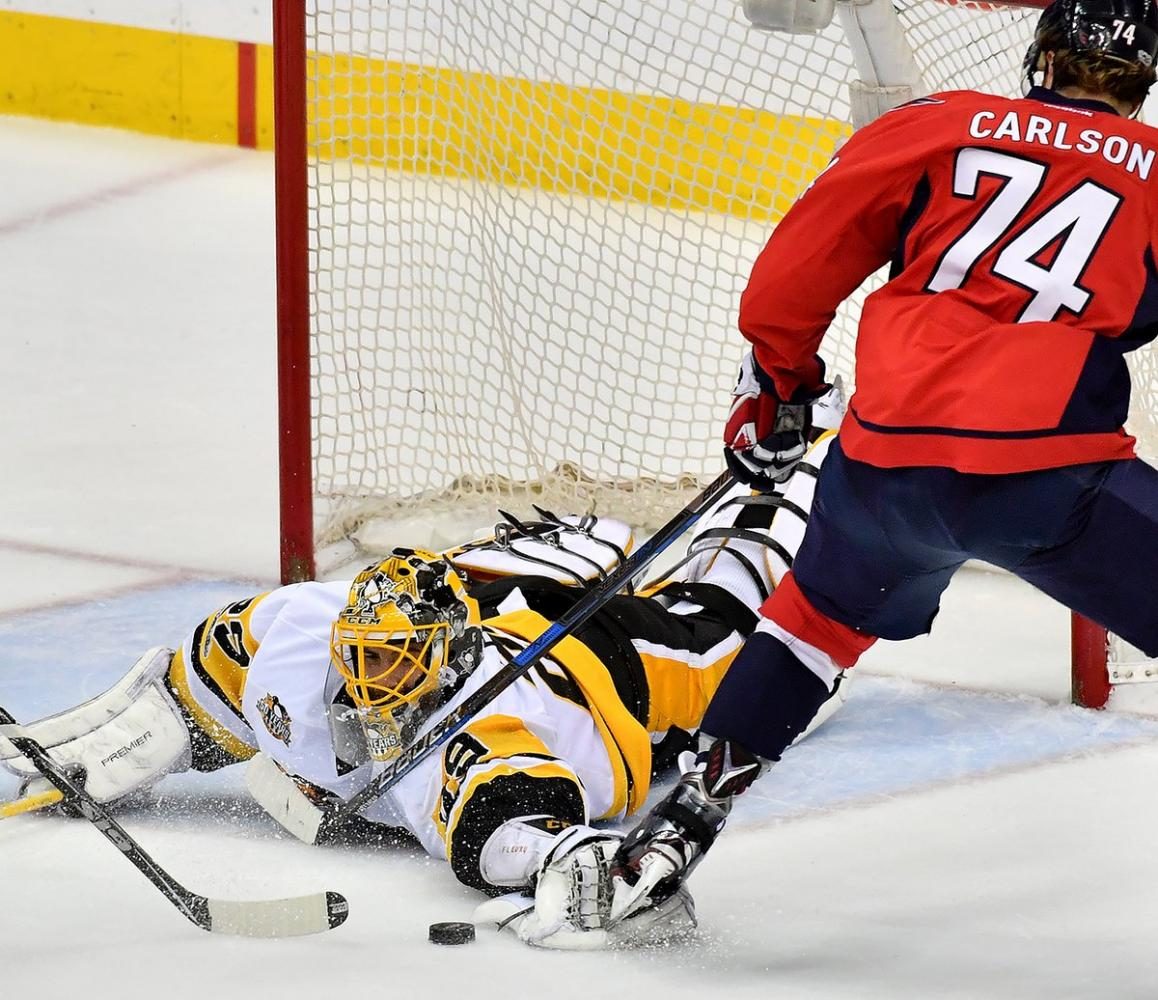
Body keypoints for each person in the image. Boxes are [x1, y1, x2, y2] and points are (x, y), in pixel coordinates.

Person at [605, 0, 1158, 932]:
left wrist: (780, 388)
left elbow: (793, 275)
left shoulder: (933, 124)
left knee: (810, 629)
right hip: (1050, 478)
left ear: (1042, 52)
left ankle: (672, 834)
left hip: (880, 469)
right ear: (1143, 82)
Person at [0, 429, 846, 949]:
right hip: (489, 594)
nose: (368, 682)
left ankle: (824, 473)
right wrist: (170, 719)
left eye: (395, 664)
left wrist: (564, 859)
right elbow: (217, 660)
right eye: (362, 657)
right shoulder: (304, 632)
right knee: (524, 559)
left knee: (738, 603)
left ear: (443, 663)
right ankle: (577, 542)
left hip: (614, 673)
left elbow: (504, 825)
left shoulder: (479, 730)